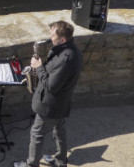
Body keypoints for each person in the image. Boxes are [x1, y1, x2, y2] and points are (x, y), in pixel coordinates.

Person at [13, 20, 83, 167]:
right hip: (62, 103)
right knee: (59, 130)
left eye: (53, 35)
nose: (50, 37)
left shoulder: (65, 59)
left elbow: (51, 86)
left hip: (51, 106)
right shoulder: (71, 49)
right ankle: (60, 161)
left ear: (62, 39)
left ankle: (31, 165)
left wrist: (38, 68)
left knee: (36, 134)